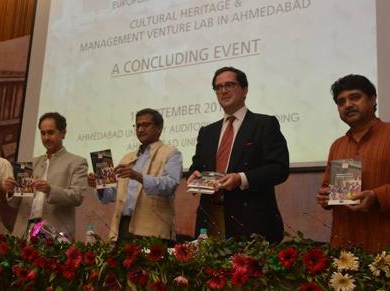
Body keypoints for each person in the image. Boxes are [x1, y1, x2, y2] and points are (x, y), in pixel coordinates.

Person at [317, 74, 390, 252]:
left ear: (373, 99)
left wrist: (377, 196)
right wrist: (326, 197)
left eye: (355, 97)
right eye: (341, 102)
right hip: (346, 249)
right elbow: (328, 188)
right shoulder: (337, 145)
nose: (347, 105)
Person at [187, 67, 289, 243]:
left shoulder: (264, 124)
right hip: (211, 218)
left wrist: (241, 178)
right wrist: (194, 175)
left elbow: (279, 168)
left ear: (245, 89)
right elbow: (197, 166)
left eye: (229, 85)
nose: (223, 91)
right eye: (218, 87)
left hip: (251, 221)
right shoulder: (207, 132)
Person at [88, 108, 182, 241]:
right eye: (138, 125)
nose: (140, 129)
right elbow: (112, 195)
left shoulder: (171, 153)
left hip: (152, 229)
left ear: (159, 128)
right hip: (123, 226)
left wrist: (138, 177)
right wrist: (99, 185)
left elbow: (170, 185)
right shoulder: (128, 158)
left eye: (146, 125)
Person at [3, 112, 88, 240]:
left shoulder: (76, 162)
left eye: (51, 132)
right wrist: (11, 191)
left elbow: (77, 197)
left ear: (63, 133)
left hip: (55, 233)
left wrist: (50, 190)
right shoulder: (31, 163)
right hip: (24, 231)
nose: (46, 137)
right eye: (43, 133)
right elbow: (15, 204)